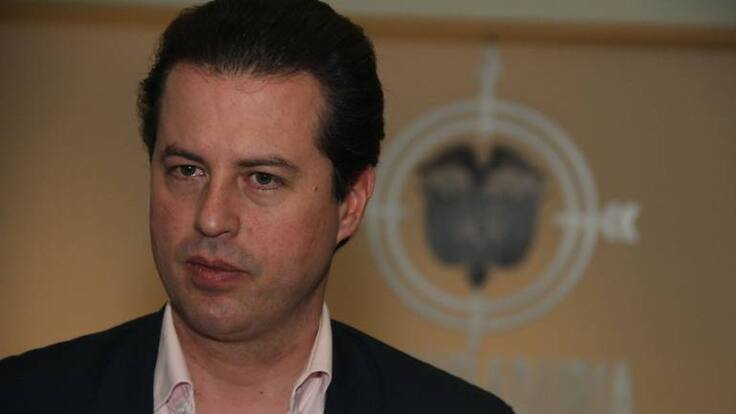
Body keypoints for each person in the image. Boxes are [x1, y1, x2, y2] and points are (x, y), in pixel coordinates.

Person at [0, 0, 513, 413]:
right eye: (187, 170)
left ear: (351, 203)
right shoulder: (23, 397)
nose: (211, 218)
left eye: (263, 179)